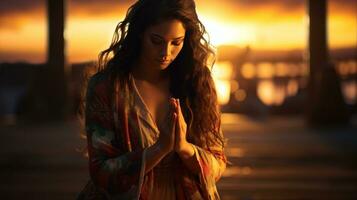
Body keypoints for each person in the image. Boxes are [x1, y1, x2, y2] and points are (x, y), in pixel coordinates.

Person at [77, 0, 226, 199]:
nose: (166, 53)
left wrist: (184, 148)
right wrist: (158, 149)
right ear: (139, 33)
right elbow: (101, 172)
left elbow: (217, 164)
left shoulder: (197, 83)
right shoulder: (107, 87)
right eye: (156, 41)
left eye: (176, 42)